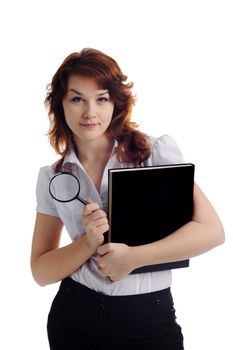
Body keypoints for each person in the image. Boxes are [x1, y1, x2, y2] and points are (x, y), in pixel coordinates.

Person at [30, 48, 225, 350]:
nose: (89, 112)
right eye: (77, 98)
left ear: (116, 103)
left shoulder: (153, 153)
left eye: (102, 98)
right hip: (74, 315)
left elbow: (212, 231)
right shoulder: (53, 177)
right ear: (60, 104)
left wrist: (134, 258)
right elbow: (41, 272)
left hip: (148, 317)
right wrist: (86, 242)